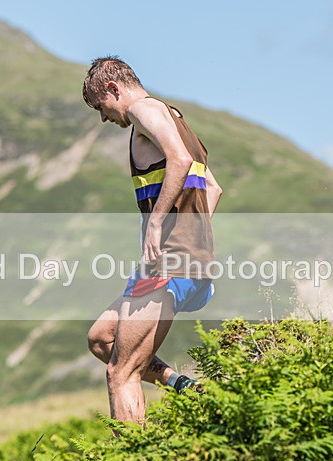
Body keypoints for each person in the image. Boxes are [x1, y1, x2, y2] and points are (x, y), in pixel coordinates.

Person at [82, 56, 222, 425]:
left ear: (113, 88)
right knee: (101, 338)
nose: (104, 118)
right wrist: (193, 238)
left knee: (120, 373)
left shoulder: (143, 111)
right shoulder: (175, 118)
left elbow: (178, 159)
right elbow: (213, 188)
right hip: (186, 263)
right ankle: (182, 385)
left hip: (168, 264)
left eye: (100, 106)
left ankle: (130, 457)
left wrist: (159, 224)